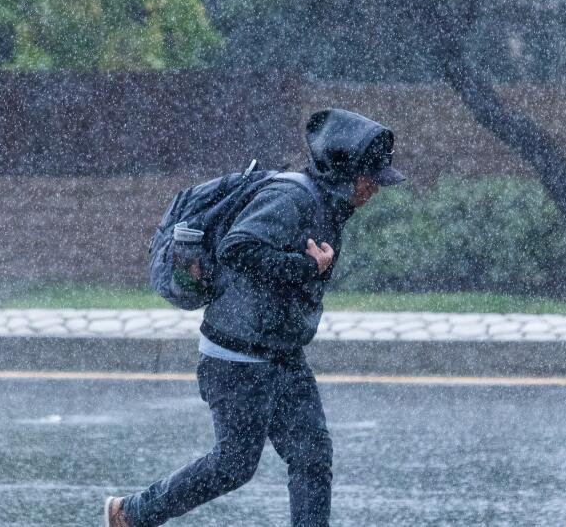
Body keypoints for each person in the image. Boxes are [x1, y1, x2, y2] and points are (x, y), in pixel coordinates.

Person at [104, 108, 406, 527]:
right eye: (370, 177)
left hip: (281, 353)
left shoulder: (326, 204)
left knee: (312, 456)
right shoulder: (292, 198)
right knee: (233, 465)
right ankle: (131, 514)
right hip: (237, 357)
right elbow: (237, 247)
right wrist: (306, 268)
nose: (375, 187)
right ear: (346, 172)